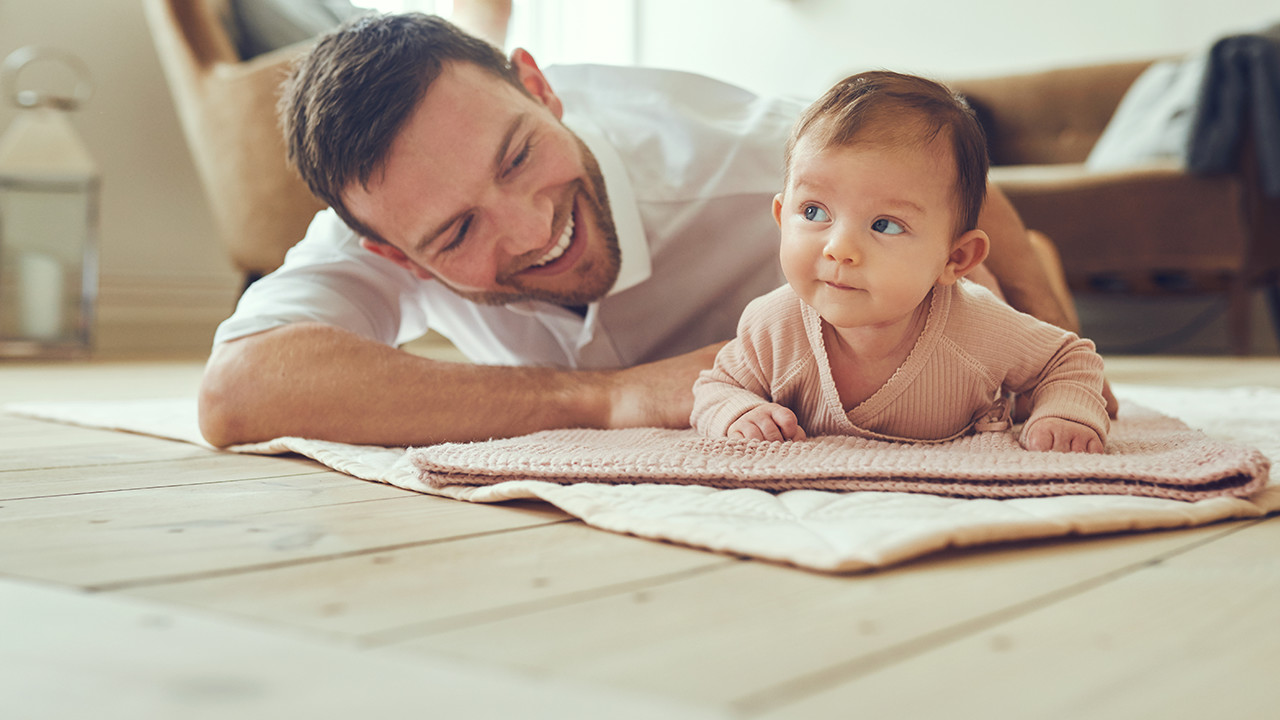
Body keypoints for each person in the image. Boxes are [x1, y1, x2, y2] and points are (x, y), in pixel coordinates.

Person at [197, 13, 1097, 448]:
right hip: (754, 374)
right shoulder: (381, 220)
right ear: (394, 254)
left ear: (540, 88)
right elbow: (237, 391)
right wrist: (599, 398)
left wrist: (1052, 319)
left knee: (965, 309)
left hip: (881, 301)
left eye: (518, 156)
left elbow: (959, 192)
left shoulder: (743, 155)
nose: (534, 226)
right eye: (460, 230)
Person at [691, 71, 1109, 453]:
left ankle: (1034, 256)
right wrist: (737, 411)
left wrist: (1065, 412)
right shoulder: (772, 325)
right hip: (944, 280)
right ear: (783, 218)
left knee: (1013, 330)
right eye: (815, 212)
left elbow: (1068, 359)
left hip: (973, 303)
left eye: (885, 225)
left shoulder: (981, 327)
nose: (839, 248)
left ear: (956, 257)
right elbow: (716, 387)